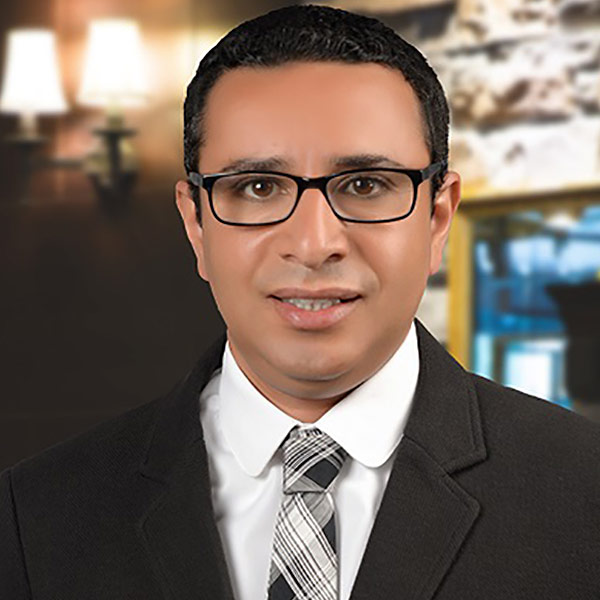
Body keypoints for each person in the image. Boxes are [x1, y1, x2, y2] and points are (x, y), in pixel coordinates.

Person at [1, 4, 599, 599]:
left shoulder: (583, 491)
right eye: (258, 187)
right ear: (196, 225)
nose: (313, 245)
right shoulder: (35, 517)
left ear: (437, 218)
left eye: (365, 185)